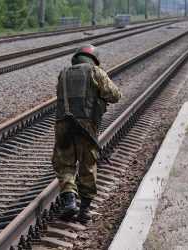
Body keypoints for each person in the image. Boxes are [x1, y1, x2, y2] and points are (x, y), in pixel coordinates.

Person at [52, 45, 122, 223]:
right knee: (87, 165)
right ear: (94, 60)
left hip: (63, 124)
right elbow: (115, 95)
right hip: (86, 125)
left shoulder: (63, 73)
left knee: (65, 164)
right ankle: (84, 210)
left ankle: (69, 200)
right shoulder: (95, 71)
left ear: (76, 58)